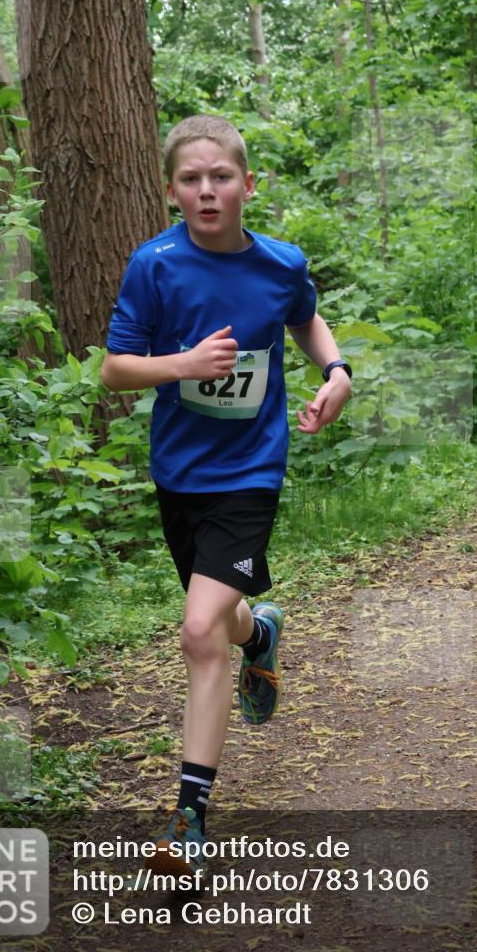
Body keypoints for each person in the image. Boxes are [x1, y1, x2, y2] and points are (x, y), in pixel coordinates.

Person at [101, 114, 352, 877]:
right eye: (190, 178)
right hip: (179, 472)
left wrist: (336, 374)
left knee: (194, 630)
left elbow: (306, 320)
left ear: (247, 184)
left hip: (250, 472)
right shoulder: (155, 265)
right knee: (222, 625)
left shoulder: (280, 263)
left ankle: (188, 819)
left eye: (219, 177)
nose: (205, 190)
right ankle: (260, 635)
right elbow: (114, 368)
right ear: (171, 188)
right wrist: (181, 364)